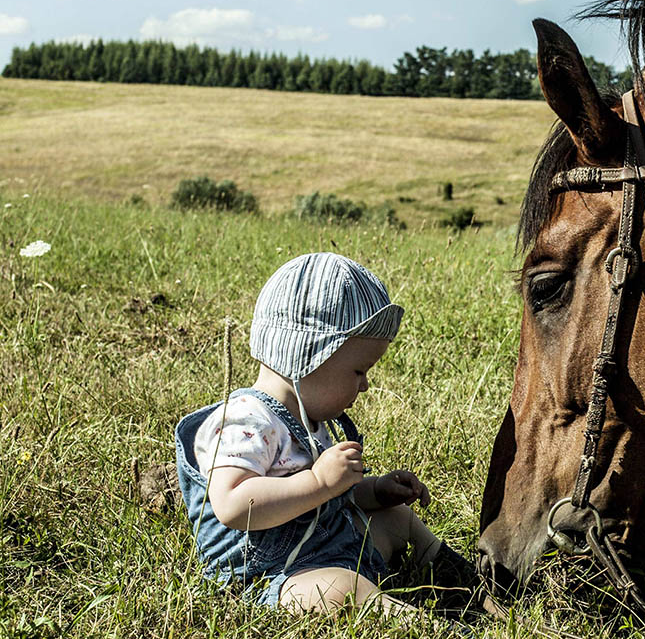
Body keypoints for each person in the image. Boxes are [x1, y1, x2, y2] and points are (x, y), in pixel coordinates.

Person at [175, 252, 477, 616]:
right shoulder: (247, 423)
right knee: (342, 589)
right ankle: (425, 626)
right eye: (359, 371)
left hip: (330, 547)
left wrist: (375, 490)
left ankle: (463, 581)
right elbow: (234, 505)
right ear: (310, 356)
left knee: (396, 518)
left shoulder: (308, 419)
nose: (365, 385)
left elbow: (328, 503)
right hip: (275, 576)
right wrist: (319, 481)